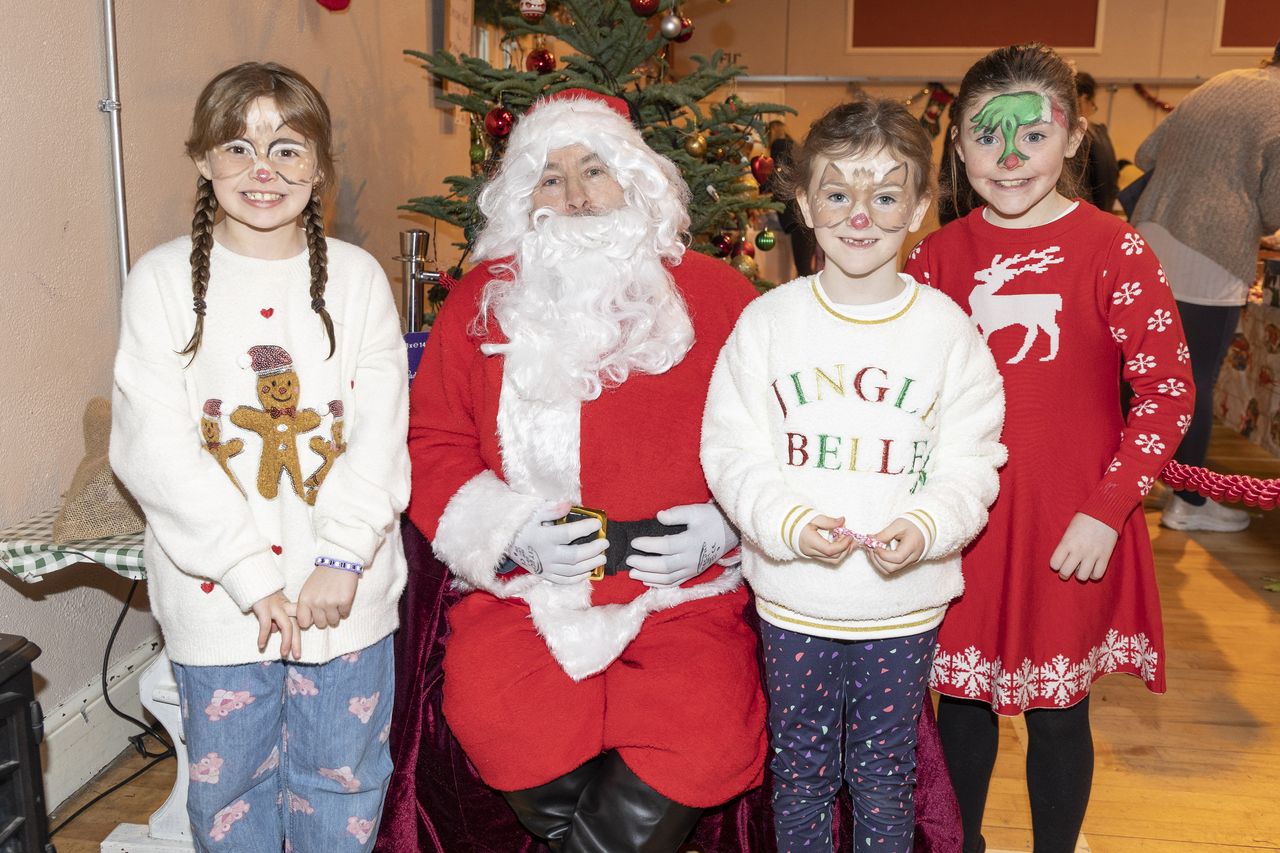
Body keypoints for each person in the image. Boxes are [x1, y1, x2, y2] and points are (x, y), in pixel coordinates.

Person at [404, 90, 765, 852]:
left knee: (701, 734)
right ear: (521, 199)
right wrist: (510, 532)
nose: (573, 196)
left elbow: (776, 437)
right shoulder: (480, 303)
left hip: (683, 593)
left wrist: (729, 526)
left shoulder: (718, 294)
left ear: (634, 181)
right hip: (529, 592)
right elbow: (433, 442)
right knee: (501, 720)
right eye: (550, 177)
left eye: (593, 170)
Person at [110, 62, 409, 852]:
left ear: (319, 166)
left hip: (347, 599)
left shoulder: (358, 280)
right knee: (228, 790)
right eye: (238, 148)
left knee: (340, 780)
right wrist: (248, 571)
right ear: (204, 161)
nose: (263, 170)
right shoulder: (161, 281)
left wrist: (341, 557)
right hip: (217, 599)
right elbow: (156, 447)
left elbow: (379, 432)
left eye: (287, 147)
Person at [907, 43, 1195, 853]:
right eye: (985, 135)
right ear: (957, 144)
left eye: (1032, 135)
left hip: (1073, 523)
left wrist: (1107, 510)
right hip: (966, 524)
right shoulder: (935, 257)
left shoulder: (1115, 249)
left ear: (1073, 139)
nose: (1008, 157)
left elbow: (1168, 389)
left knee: (1056, 713)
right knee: (960, 707)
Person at [701, 97, 1007, 853]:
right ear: (805, 201)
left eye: (884, 195)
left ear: (920, 208)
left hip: (901, 608)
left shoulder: (948, 332)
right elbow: (731, 449)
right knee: (799, 771)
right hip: (794, 598)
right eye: (838, 194)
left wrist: (928, 525)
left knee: (883, 773)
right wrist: (787, 523)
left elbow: (974, 460)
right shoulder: (767, 324)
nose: (859, 216)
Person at [1133, 43, 1280, 532]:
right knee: (1190, 382)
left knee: (1144, 374)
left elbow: (1145, 152)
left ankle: (1143, 474)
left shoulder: (1223, 80)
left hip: (1149, 235)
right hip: (1211, 254)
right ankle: (1190, 502)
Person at [768, 119, 819, 276]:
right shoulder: (794, 147)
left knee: (802, 266)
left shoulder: (778, 146)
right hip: (805, 210)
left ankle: (809, 297)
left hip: (795, 214)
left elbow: (776, 177)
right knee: (806, 262)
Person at [1074, 72, 1119, 213]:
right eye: (1093, 104)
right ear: (1084, 98)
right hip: (1099, 213)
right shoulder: (1099, 133)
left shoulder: (1078, 137)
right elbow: (1110, 180)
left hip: (1082, 213)